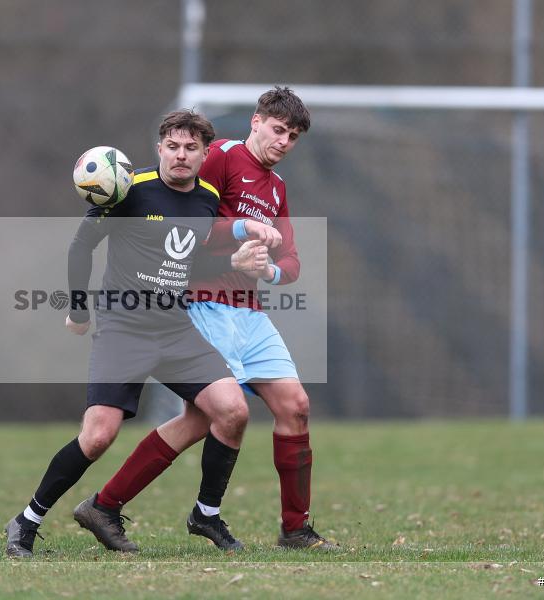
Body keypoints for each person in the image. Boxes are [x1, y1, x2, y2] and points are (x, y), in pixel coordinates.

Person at [80, 86, 338, 551]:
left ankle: (295, 529)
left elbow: (292, 260)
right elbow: (185, 227)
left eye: (293, 136)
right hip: (202, 303)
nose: (283, 142)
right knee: (202, 420)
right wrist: (236, 239)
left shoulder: (276, 187)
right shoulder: (218, 156)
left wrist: (269, 269)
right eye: (278, 130)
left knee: (294, 407)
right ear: (256, 122)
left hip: (250, 314)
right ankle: (110, 503)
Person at [4, 110, 266, 557]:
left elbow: (186, 263)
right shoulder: (128, 189)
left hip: (175, 327)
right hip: (124, 327)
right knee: (98, 436)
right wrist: (78, 310)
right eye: (172, 146)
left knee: (232, 411)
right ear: (160, 148)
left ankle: (205, 514)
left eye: (190, 148)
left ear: (205, 153)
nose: (180, 155)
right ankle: (26, 521)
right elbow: (81, 246)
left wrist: (233, 264)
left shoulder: (206, 198)